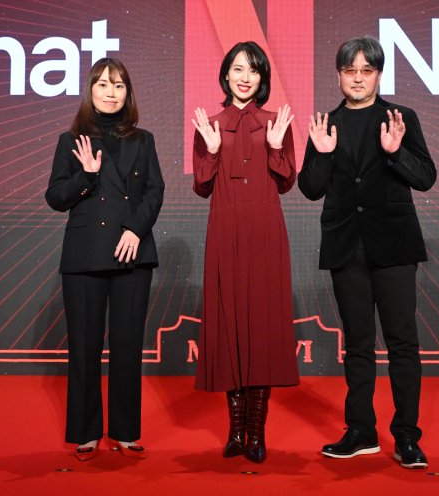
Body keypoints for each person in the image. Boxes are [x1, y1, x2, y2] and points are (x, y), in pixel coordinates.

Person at [298, 36, 436, 469]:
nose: (358, 78)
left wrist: (395, 154)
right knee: (358, 344)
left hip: (394, 245)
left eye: (366, 70)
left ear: (378, 74)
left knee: (402, 343)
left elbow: (426, 177)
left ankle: (407, 436)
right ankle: (360, 431)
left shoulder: (401, 118)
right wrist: (322, 156)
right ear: (338, 75)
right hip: (346, 247)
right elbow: (310, 188)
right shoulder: (326, 123)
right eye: (350, 71)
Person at [45, 57, 164, 461]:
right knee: (84, 347)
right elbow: (55, 197)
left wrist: (135, 230)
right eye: (103, 85)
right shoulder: (70, 141)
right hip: (84, 256)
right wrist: (87, 176)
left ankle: (125, 432)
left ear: (128, 93)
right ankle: (86, 432)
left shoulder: (143, 140)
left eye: (118, 85)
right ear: (90, 90)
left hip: (132, 252)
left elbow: (155, 191)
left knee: (127, 347)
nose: (110, 93)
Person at [191, 41, 299, 463]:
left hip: (265, 231)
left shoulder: (276, 122)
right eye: (237, 68)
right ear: (225, 74)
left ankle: (257, 434)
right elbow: (202, 187)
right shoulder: (210, 124)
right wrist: (211, 150)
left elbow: (287, 181)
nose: (244, 77)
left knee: (261, 330)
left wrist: (275, 146)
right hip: (225, 229)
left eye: (253, 70)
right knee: (229, 326)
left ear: (262, 78)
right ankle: (235, 433)